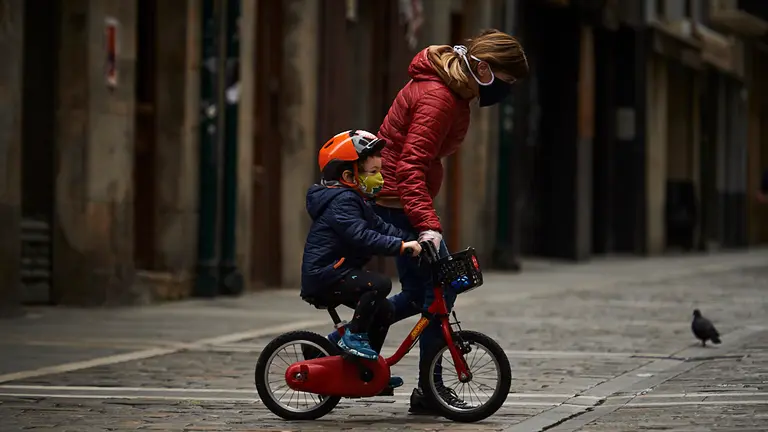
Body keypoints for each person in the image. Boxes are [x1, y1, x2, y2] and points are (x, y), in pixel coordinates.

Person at [328, 29, 529, 412]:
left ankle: (361, 340)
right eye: (507, 81)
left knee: (430, 293)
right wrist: (427, 225)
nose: (507, 90)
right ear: (483, 68)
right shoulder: (439, 97)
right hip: (396, 202)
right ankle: (425, 387)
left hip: (400, 200)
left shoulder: (453, 92)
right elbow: (409, 166)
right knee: (442, 288)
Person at [301, 130, 422, 363]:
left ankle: (368, 369)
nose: (380, 178)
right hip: (325, 275)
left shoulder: (358, 201)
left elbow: (382, 227)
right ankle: (353, 338)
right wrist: (401, 246)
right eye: (373, 172)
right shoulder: (342, 202)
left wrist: (413, 239)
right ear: (348, 175)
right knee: (379, 284)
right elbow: (363, 236)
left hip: (339, 272)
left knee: (385, 310)